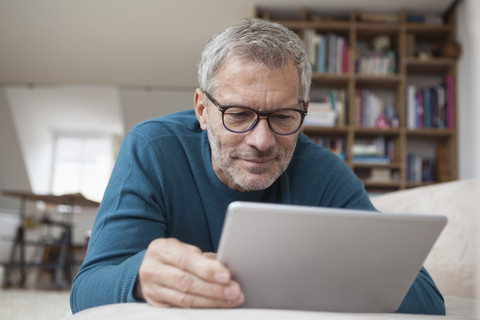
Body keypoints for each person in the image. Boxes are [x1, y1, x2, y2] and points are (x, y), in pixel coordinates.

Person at [70, 18, 445, 315]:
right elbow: (87, 291)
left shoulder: (324, 173)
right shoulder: (151, 149)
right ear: (202, 110)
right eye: (238, 114)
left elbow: (428, 302)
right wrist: (138, 278)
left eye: (283, 116)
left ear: (304, 110)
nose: (262, 141)